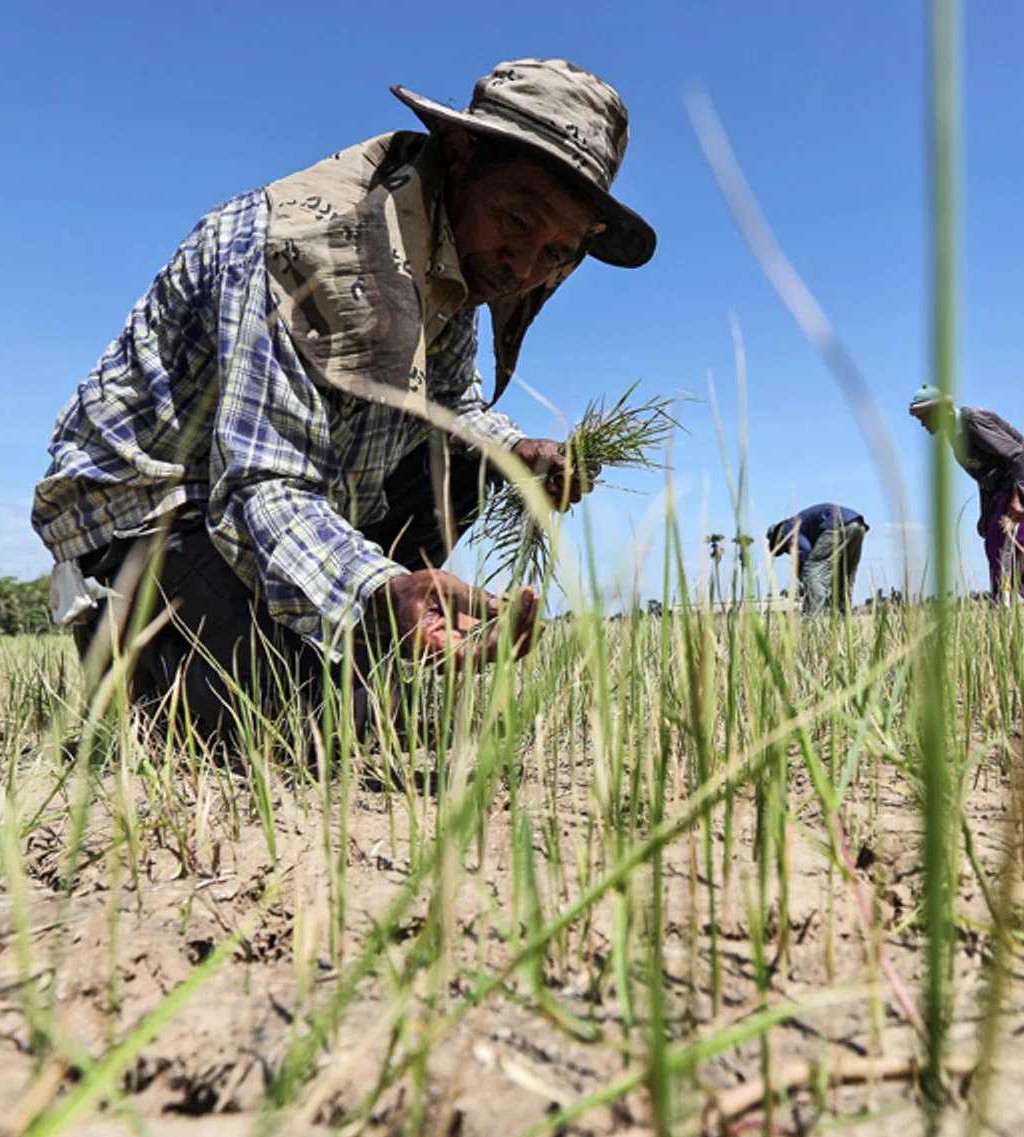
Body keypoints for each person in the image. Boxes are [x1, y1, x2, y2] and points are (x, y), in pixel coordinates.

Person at [32, 59, 656, 740]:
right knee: (321, 730)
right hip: (160, 509)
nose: (524, 267)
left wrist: (516, 449)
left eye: (556, 254)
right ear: (458, 153)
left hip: (291, 495)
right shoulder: (310, 252)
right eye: (516, 220)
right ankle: (131, 641)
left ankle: (338, 644)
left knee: (478, 459)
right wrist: (376, 592)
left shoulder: (455, 255)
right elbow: (260, 485)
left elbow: (451, 407)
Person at [907, 386, 1024, 601]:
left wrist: (1018, 499)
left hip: (1022, 482)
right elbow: (983, 474)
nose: (922, 423)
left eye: (925, 416)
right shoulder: (954, 436)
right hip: (1000, 490)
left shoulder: (972, 421)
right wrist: (985, 513)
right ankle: (1011, 607)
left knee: (1008, 552)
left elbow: (1016, 455)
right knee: (996, 547)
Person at [766, 504, 868, 615]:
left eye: (785, 550)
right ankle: (842, 619)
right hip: (858, 525)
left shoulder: (787, 531)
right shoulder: (803, 525)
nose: (788, 552)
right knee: (843, 574)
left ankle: (812, 619)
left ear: (777, 538)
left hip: (835, 524)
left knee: (812, 570)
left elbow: (805, 552)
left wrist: (805, 580)